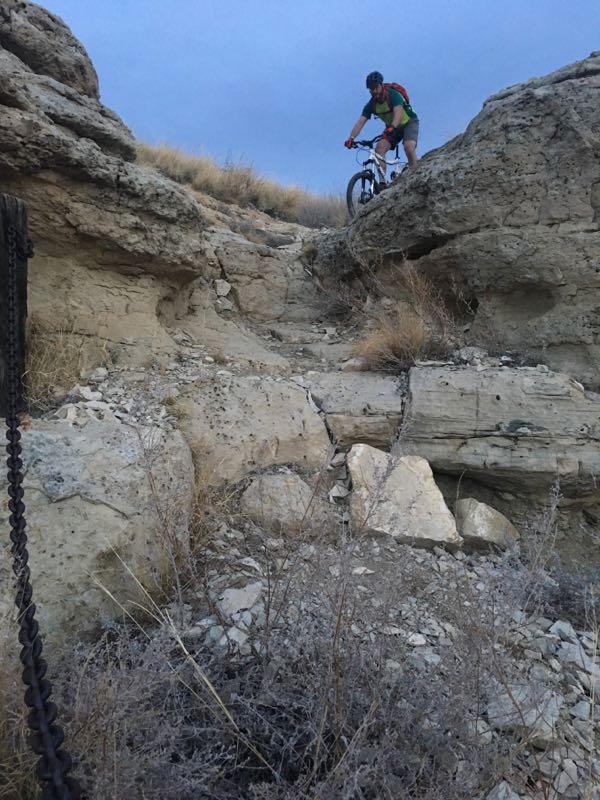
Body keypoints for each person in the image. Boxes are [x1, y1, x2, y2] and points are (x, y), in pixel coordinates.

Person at [344, 71, 419, 176]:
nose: (373, 91)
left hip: (409, 122)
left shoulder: (393, 94)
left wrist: (392, 127)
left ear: (381, 85)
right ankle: (382, 183)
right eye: (370, 89)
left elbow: (399, 112)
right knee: (379, 148)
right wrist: (351, 138)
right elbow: (360, 122)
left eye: (375, 87)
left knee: (409, 147)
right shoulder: (371, 104)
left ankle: (416, 173)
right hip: (392, 127)